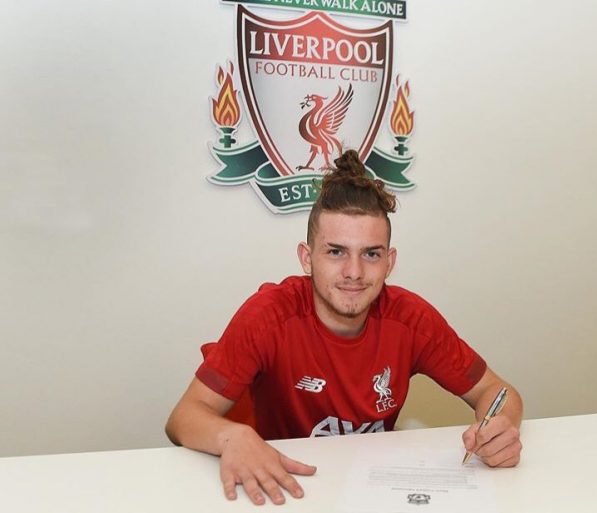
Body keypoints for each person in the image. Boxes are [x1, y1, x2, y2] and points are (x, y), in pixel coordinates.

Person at [165, 150, 523, 505]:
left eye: (371, 254)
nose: (354, 272)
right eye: (336, 252)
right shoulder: (268, 316)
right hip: (287, 488)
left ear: (389, 262)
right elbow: (183, 417)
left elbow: (496, 391)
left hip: (372, 490)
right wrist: (232, 436)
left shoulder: (411, 318)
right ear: (307, 258)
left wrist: (499, 428)